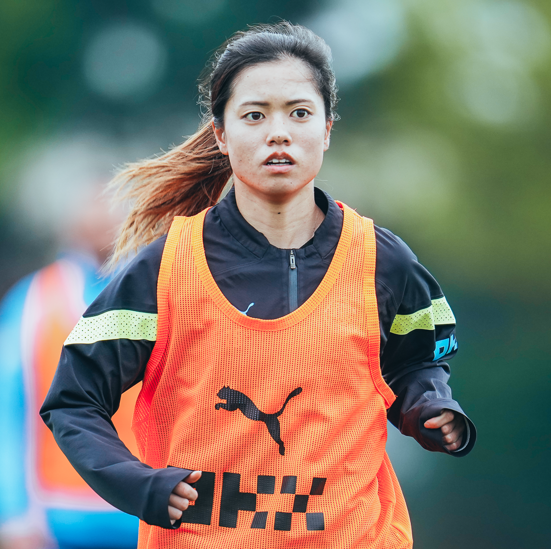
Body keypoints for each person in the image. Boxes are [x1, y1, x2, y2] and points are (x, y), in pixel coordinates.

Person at [40, 22, 476, 548]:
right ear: (221, 135)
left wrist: (430, 407)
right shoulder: (166, 270)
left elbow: (416, 363)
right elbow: (72, 402)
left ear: (328, 129)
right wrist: (140, 485)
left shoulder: (382, 262)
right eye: (254, 115)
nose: (279, 133)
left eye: (299, 113)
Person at [0, 180, 141, 549]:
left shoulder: (161, 291)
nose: (104, 212)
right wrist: (10, 515)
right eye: (94, 199)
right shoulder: (31, 301)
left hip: (148, 517)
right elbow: (1, 412)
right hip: (57, 521)